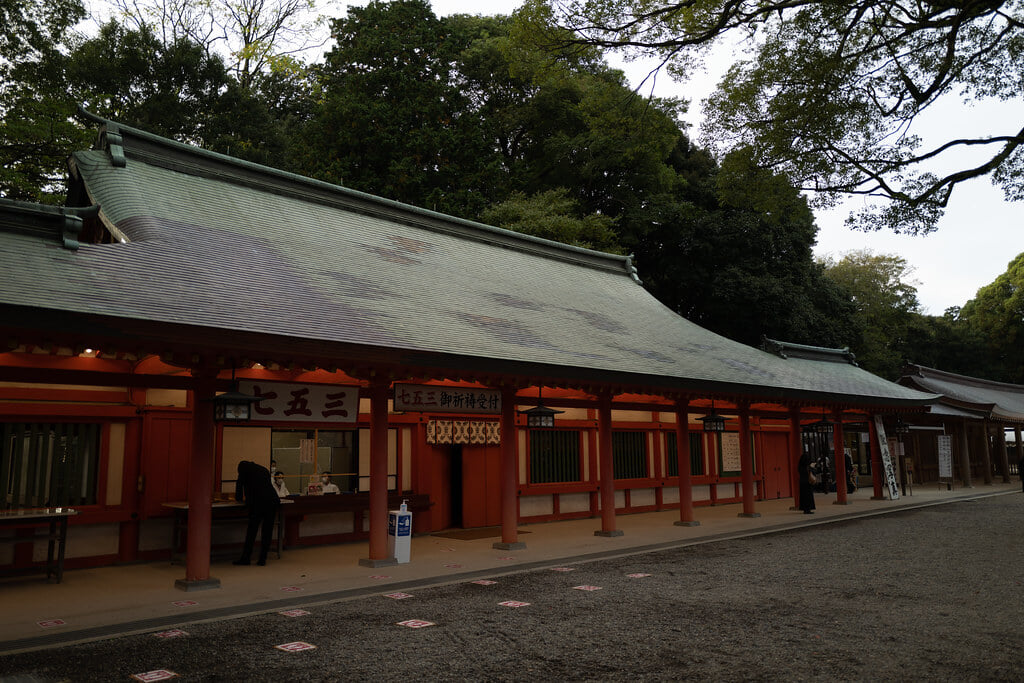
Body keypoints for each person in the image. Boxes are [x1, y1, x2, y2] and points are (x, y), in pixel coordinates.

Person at [234, 460, 281, 566]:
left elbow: (239, 488)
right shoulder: (263, 470)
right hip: (271, 502)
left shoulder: (244, 471)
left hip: (257, 504)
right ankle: (262, 559)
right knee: (267, 531)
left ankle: (246, 558)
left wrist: (240, 500)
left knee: (252, 531)